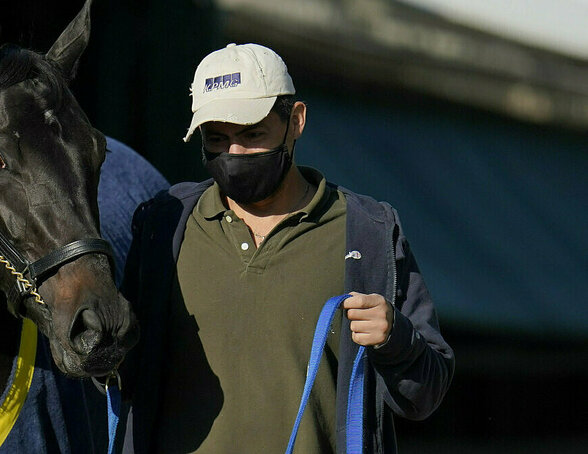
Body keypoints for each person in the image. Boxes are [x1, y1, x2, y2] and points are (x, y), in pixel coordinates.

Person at [119, 44, 454, 453]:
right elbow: (115, 368)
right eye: (217, 138)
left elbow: (427, 393)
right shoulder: (163, 226)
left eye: (252, 134)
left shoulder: (367, 231)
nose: (234, 154)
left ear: (296, 120)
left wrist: (396, 340)